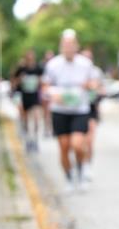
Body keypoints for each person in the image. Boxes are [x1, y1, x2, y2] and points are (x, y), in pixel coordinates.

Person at [42, 30, 98, 193]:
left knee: (78, 144)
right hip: (60, 110)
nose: (68, 48)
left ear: (76, 46)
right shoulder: (53, 64)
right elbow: (45, 86)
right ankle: (69, 176)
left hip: (80, 109)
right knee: (64, 147)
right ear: (61, 46)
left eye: (71, 45)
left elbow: (94, 82)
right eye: (65, 45)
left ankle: (82, 169)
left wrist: (89, 86)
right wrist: (54, 95)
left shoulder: (85, 64)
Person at [11, 49, 45, 152]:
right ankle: (28, 139)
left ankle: (35, 139)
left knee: (36, 118)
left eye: (32, 56)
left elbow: (44, 82)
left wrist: (40, 82)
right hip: (24, 96)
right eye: (28, 56)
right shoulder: (21, 69)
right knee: (25, 119)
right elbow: (13, 82)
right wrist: (20, 80)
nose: (30, 58)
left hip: (34, 97)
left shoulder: (38, 68)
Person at [80, 48, 103, 182]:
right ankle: (81, 163)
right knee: (78, 142)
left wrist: (96, 88)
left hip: (92, 109)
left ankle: (88, 165)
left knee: (90, 141)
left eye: (89, 57)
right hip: (77, 109)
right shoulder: (76, 70)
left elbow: (100, 88)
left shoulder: (96, 72)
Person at [41, 49, 56, 137]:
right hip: (46, 92)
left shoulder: (56, 65)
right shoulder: (43, 66)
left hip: (55, 93)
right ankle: (47, 128)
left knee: (53, 111)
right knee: (46, 111)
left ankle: (53, 128)